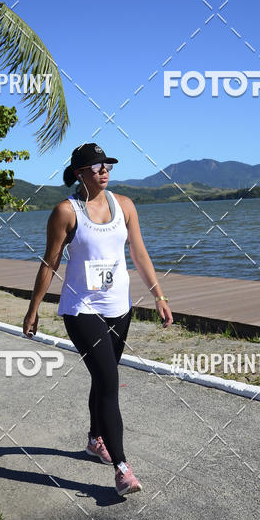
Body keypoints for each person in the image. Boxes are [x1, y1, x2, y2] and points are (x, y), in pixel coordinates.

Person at [23, 143, 173, 497]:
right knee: (109, 380)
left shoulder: (125, 206)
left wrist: (159, 295)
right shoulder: (66, 211)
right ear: (79, 173)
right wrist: (34, 308)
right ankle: (122, 468)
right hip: (81, 310)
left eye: (107, 165)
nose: (104, 171)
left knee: (102, 378)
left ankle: (95, 439)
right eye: (96, 167)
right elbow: (50, 262)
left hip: (119, 308)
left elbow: (138, 252)